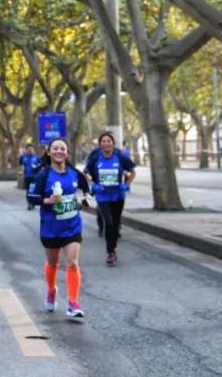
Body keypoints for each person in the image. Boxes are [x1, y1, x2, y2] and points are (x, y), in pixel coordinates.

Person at [27, 138, 93, 320]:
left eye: (62, 148)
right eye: (55, 148)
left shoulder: (74, 173)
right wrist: (48, 200)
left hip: (72, 225)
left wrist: (86, 198)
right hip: (51, 227)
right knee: (53, 264)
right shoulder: (43, 175)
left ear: (67, 152)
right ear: (49, 152)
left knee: (72, 263)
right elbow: (31, 197)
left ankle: (73, 303)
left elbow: (86, 188)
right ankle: (51, 290)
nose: (59, 151)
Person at [84, 132, 136, 266]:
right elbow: (85, 173)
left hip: (118, 196)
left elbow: (133, 171)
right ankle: (111, 252)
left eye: (109, 141)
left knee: (116, 224)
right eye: (103, 141)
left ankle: (113, 247)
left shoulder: (120, 157)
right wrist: (93, 185)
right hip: (102, 196)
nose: (106, 143)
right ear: (100, 144)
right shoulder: (96, 157)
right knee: (108, 222)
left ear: (113, 143)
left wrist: (126, 185)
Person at [19, 144, 41, 211]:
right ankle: (29, 203)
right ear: (26, 150)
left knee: (33, 190)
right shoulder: (23, 157)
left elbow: (41, 165)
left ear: (33, 150)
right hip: (27, 176)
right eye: (29, 149)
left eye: (31, 149)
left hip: (35, 177)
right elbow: (20, 164)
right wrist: (21, 169)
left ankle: (33, 202)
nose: (30, 150)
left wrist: (36, 166)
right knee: (28, 191)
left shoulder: (37, 157)